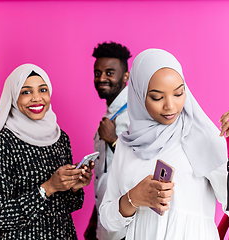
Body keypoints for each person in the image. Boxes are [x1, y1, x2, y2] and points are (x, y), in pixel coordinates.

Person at [99, 49, 229, 240]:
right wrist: (134, 198)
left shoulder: (200, 137)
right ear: (138, 94)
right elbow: (108, 219)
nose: (170, 106)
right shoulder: (127, 145)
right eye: (157, 97)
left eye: (179, 93)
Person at [0, 63, 93, 239]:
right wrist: (48, 188)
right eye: (26, 92)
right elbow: (0, 216)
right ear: (14, 97)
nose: (37, 98)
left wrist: (74, 187)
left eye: (42, 90)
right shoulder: (1, 144)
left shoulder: (59, 137)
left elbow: (69, 206)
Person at [84, 42, 131, 240]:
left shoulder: (135, 115)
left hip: (126, 227)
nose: (102, 78)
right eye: (98, 73)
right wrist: (94, 219)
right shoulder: (110, 114)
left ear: (125, 77)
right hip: (105, 223)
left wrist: (113, 140)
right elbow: (105, 174)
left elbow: (142, 165)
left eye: (110, 72)